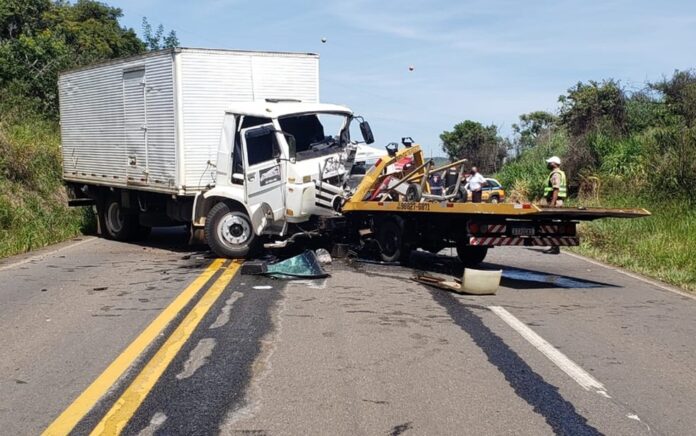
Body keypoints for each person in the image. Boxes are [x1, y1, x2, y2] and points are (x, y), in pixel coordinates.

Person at [542, 156, 567, 254]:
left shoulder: (556, 174)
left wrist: (552, 204)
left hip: (555, 203)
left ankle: (555, 247)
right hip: (558, 202)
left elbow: (555, 189)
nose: (548, 164)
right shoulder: (560, 173)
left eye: (549, 163)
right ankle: (554, 246)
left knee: (554, 226)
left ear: (554, 163)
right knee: (555, 225)